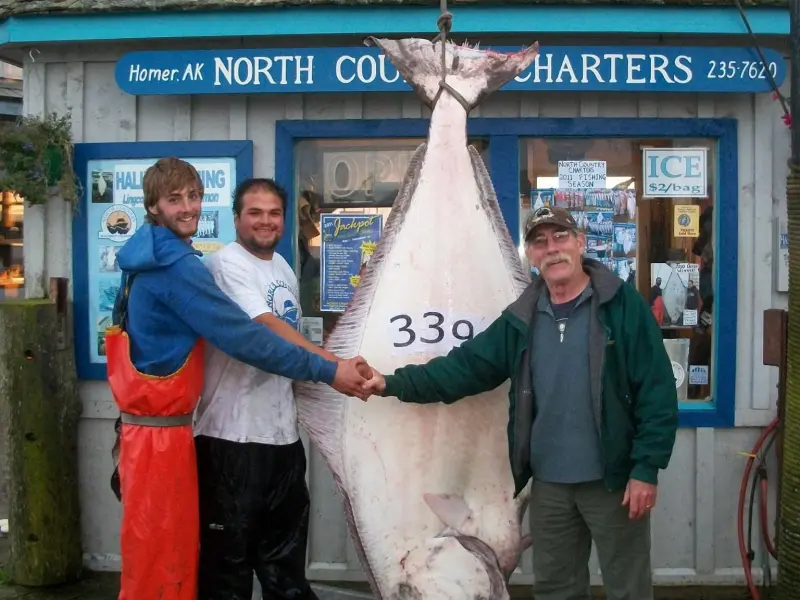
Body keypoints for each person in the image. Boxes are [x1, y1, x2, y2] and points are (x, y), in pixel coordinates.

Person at [362, 206, 679, 600]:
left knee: (628, 587)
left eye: (561, 237)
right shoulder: (521, 318)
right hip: (549, 487)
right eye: (540, 241)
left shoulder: (623, 306)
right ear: (530, 254)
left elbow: (657, 391)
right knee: (556, 589)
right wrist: (390, 383)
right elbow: (464, 369)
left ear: (580, 243)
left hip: (613, 482)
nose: (552, 248)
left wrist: (646, 467)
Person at [105, 158, 371, 600]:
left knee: (258, 567)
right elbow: (250, 339)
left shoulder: (175, 258)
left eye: (193, 196)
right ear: (153, 206)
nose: (187, 207)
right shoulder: (181, 267)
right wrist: (331, 369)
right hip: (202, 439)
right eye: (175, 199)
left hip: (252, 437)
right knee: (186, 567)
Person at [193, 178, 337, 600]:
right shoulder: (224, 266)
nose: (265, 221)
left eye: (274, 213)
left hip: (281, 437)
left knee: (286, 565)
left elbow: (291, 334)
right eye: (254, 212)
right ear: (236, 218)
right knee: (227, 569)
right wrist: (331, 366)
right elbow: (265, 328)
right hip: (230, 440)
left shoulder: (282, 267)